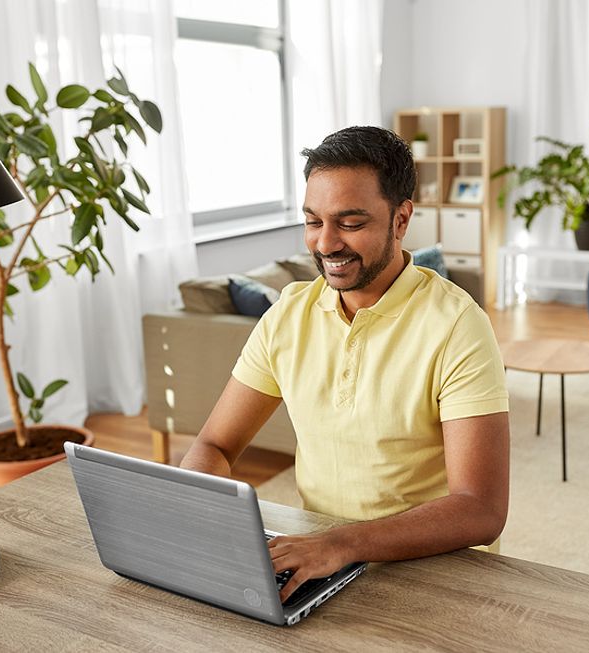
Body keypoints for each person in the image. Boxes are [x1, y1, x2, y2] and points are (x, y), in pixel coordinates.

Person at [181, 126, 510, 602]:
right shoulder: (288, 314)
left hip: (435, 567)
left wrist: (342, 545)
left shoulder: (458, 325)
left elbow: (480, 509)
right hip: (319, 560)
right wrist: (205, 516)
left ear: (401, 220)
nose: (325, 243)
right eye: (314, 221)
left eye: (351, 223)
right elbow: (215, 443)